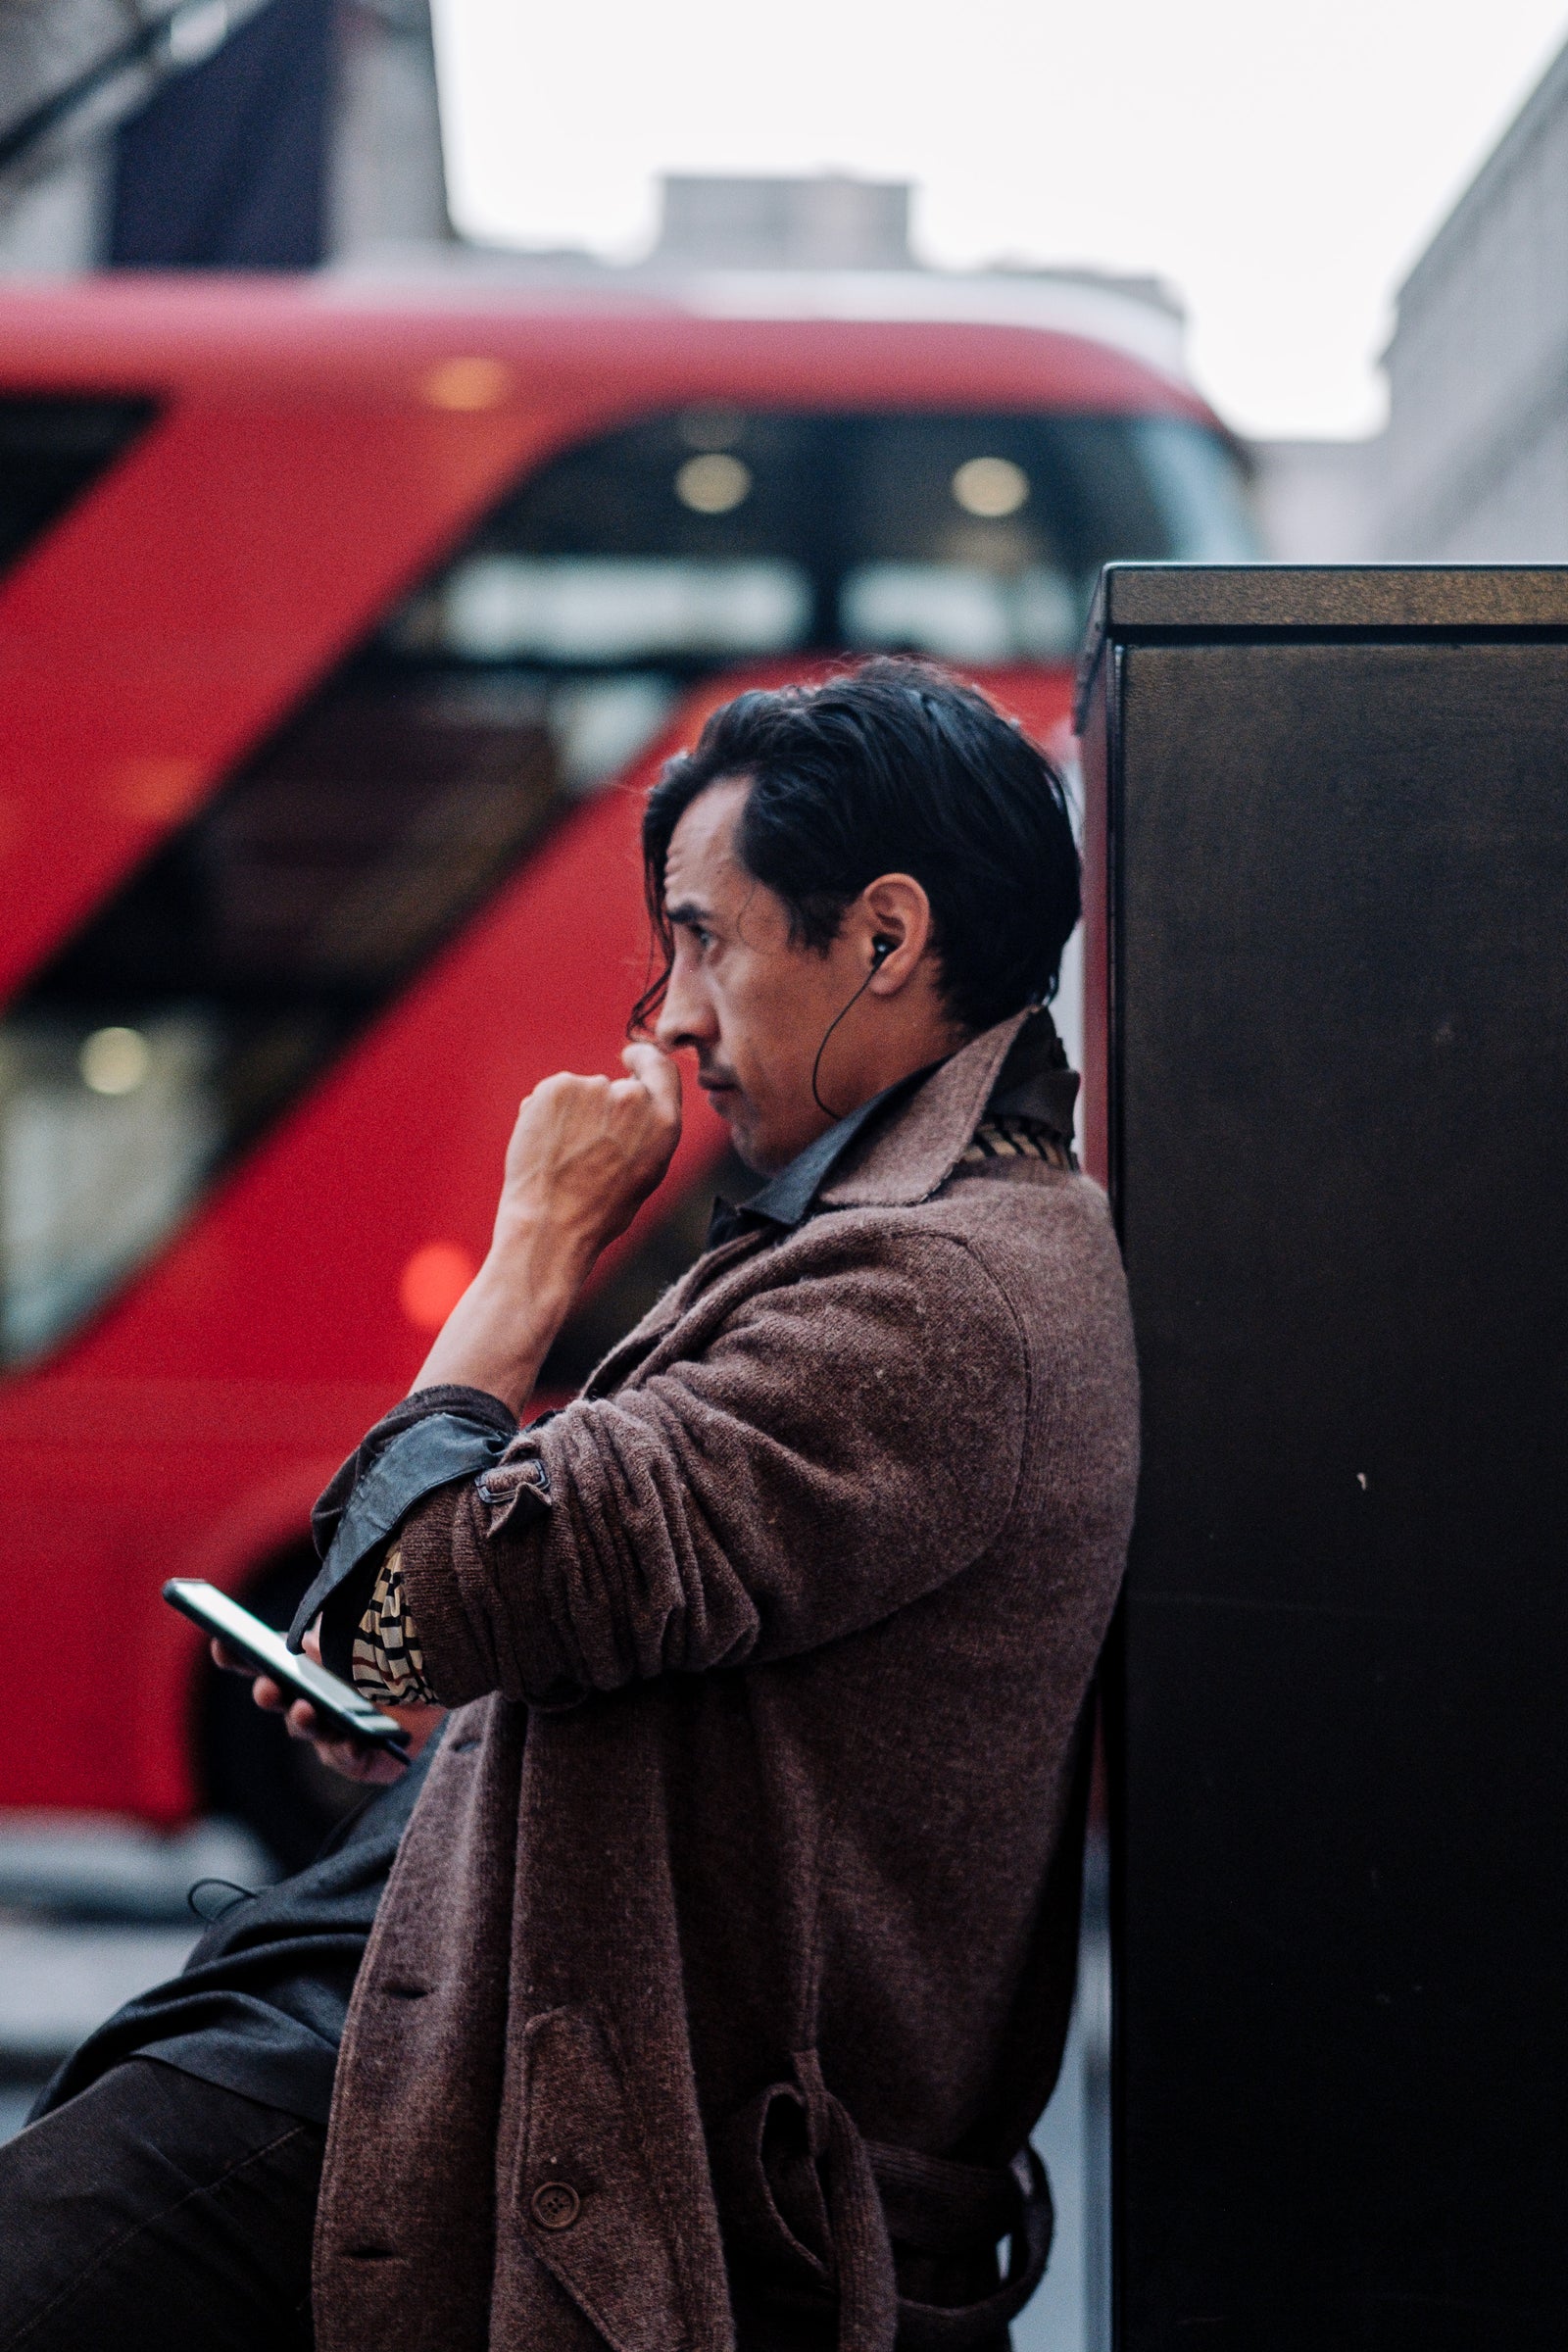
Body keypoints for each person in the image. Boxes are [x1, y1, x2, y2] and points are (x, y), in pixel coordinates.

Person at [0, 659, 1138, 2352]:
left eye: (707, 939)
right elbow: (441, 1624)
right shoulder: (908, 1237)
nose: (668, 1017)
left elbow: (404, 1604)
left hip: (535, 2102)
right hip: (461, 2000)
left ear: (886, 941)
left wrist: (533, 1242)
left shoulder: (930, 1294)